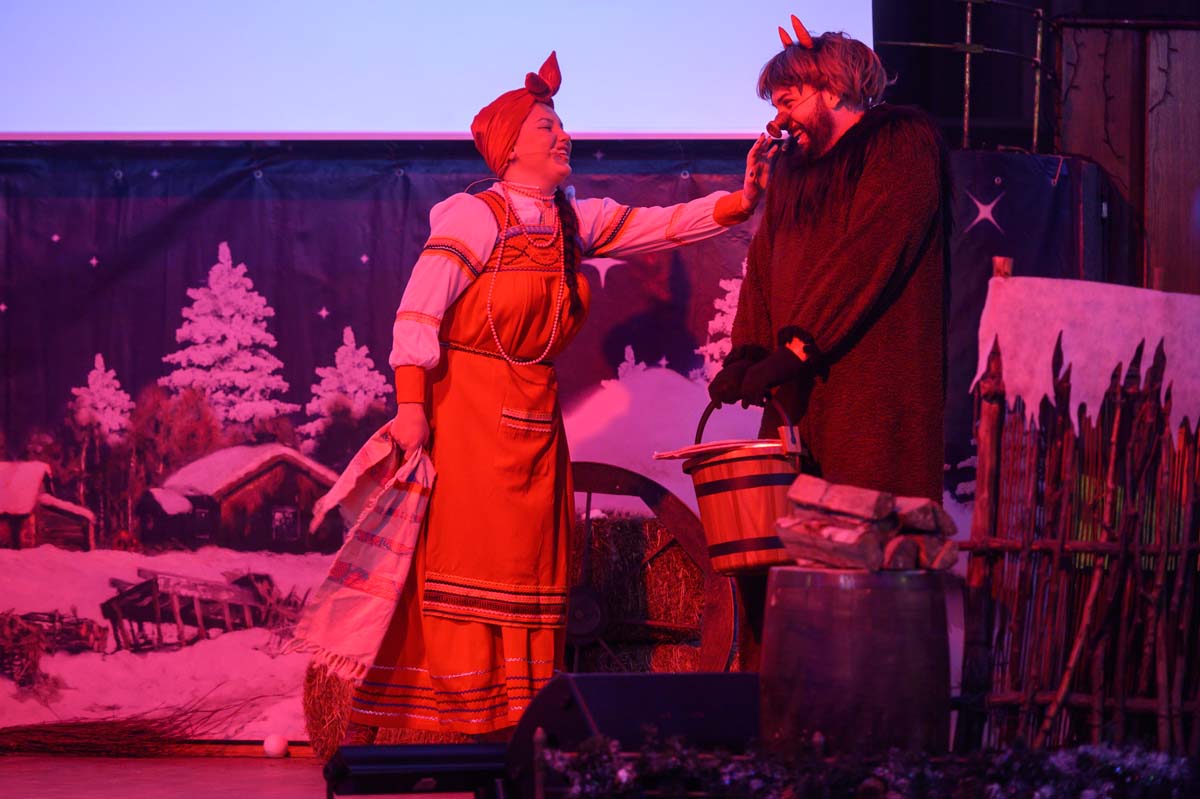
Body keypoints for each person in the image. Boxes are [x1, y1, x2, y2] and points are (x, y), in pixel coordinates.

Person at [345, 52, 769, 740]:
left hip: (535, 417)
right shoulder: (475, 218)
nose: (564, 136)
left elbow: (658, 226)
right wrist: (412, 405)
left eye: (562, 125)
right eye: (548, 127)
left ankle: (521, 724)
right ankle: (458, 724)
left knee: (533, 567)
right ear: (511, 148)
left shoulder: (573, 222)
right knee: (469, 563)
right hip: (469, 412)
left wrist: (740, 203)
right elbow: (417, 313)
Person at [709, 18, 950, 503]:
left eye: (788, 102)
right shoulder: (792, 173)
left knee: (867, 530)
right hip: (797, 399)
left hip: (871, 398)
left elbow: (867, 255)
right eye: (776, 107)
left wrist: (798, 347)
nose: (778, 121)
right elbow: (764, 268)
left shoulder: (900, 147)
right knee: (790, 535)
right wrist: (749, 354)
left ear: (834, 91)